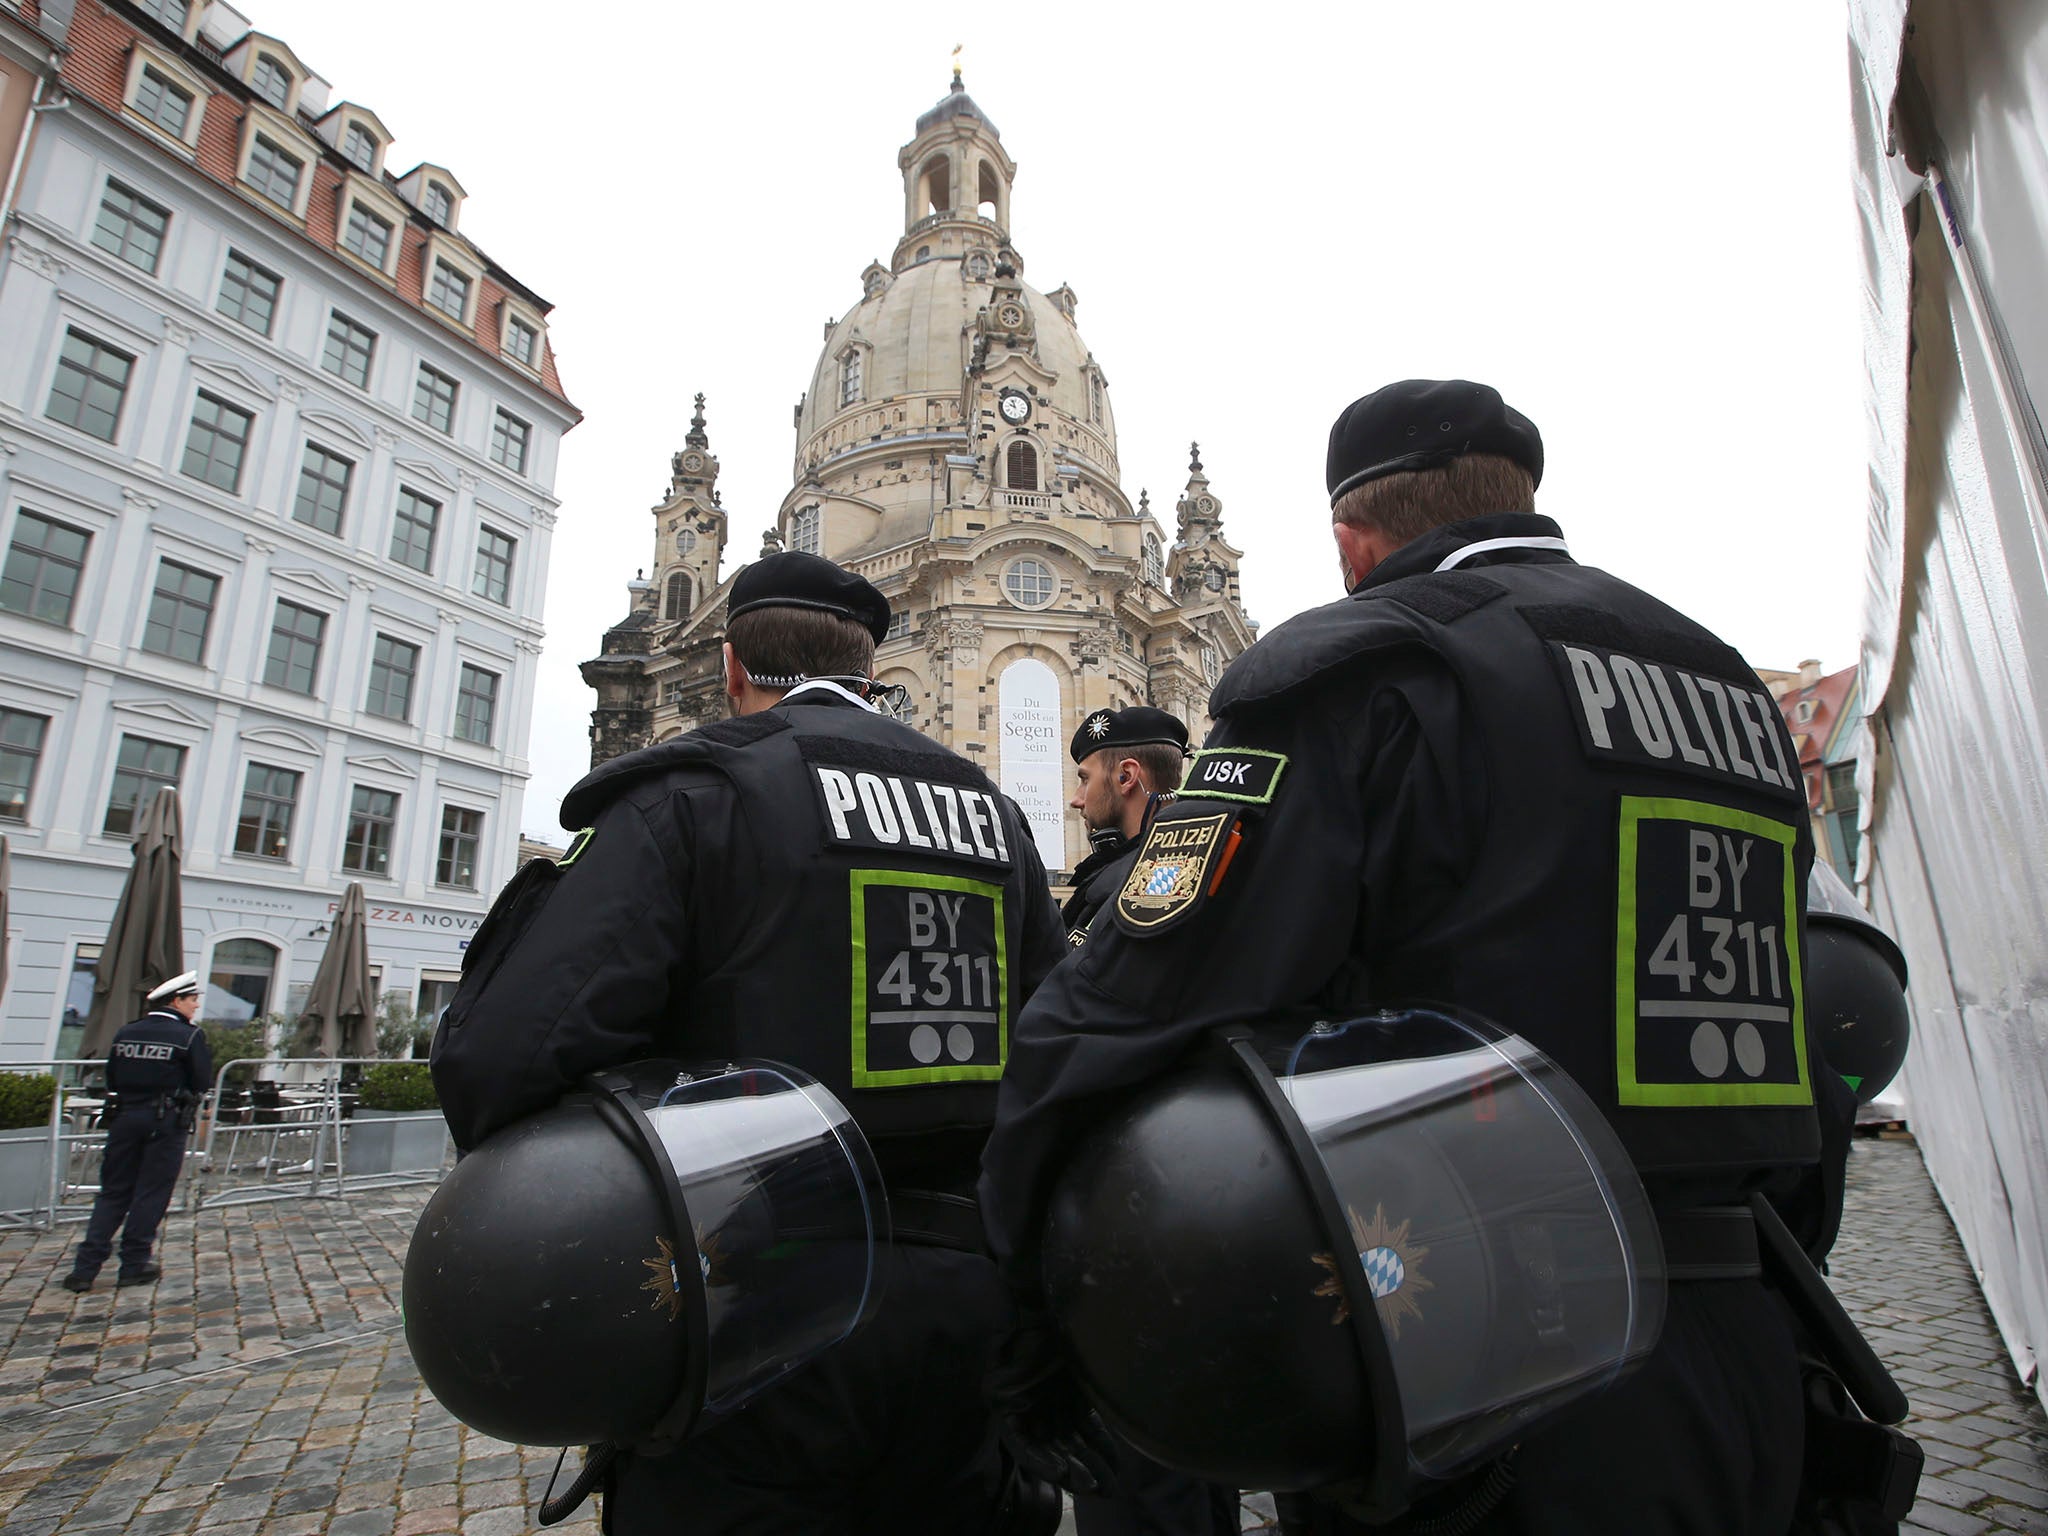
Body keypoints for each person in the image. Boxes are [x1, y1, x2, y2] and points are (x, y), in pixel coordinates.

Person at [981, 379, 1823, 1534]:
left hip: (1474, 1360)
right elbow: (1797, 1020)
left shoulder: (1363, 668)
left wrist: (1033, 1313)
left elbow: (1118, 1008)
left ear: (1350, 540)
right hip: (1736, 1351)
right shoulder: (1728, 687)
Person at [432, 551, 1068, 1534]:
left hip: (752, 1306)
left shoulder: (694, 795)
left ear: (730, 669)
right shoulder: (994, 816)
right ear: (869, 671)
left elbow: (503, 1058)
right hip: (963, 1310)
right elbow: (1058, 1052)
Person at [62, 971, 212, 1292]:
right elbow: (201, 1080)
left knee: (113, 1190)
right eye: (192, 999)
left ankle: (84, 1268)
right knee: (151, 1191)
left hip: (125, 1116)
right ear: (176, 1001)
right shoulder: (188, 1036)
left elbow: (112, 1077)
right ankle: (134, 1262)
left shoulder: (126, 1032)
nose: (196, 1006)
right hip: (165, 1119)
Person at [1062, 706, 1190, 948]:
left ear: (1126, 776)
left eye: (1085, 779)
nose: (1076, 799)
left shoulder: (1144, 886)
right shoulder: (1183, 861)